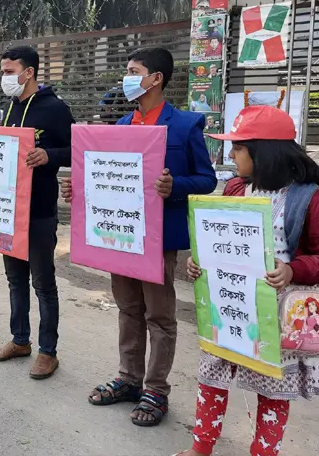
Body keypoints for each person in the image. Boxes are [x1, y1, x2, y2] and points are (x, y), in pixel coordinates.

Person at [176, 106, 319, 456]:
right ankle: (201, 446)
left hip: (275, 316)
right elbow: (216, 238)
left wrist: (293, 269)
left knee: (273, 391)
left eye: (238, 148)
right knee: (211, 375)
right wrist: (198, 261)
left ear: (263, 151)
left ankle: (264, 451)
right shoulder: (237, 188)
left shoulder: (311, 199)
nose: (232, 154)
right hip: (230, 307)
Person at [62, 47, 217, 426]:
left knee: (160, 317)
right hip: (120, 236)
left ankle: (156, 389)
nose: (127, 78)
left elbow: (208, 179)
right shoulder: (119, 128)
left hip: (159, 240)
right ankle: (129, 379)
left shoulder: (185, 125)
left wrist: (174, 186)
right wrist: (76, 189)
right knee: (129, 310)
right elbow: (105, 179)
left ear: (156, 78)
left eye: (134, 71)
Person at [0, 45, 74, 379]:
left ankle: (47, 351)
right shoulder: (9, 109)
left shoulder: (54, 108)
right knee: (14, 280)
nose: (5, 77)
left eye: (9, 71)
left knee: (43, 283)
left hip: (38, 210)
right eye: (3, 71)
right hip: (8, 210)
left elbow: (77, 147)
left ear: (29, 72)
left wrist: (48, 155)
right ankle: (20, 340)